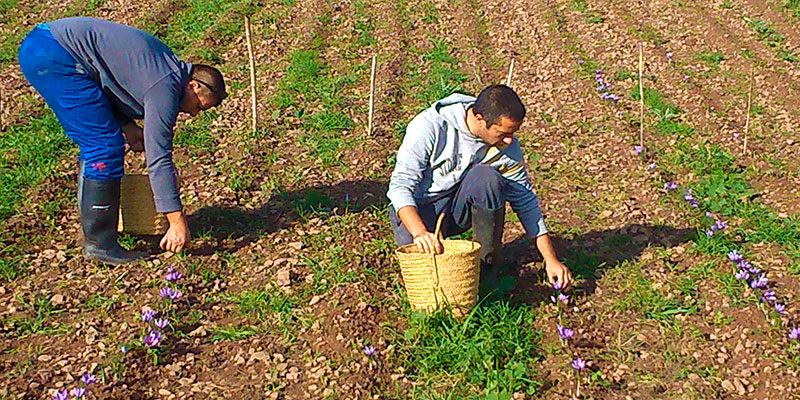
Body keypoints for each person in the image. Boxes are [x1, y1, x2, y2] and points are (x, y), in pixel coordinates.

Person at [18, 17, 227, 265]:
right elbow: (159, 157)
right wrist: (177, 222)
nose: (193, 114)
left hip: (47, 43)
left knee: (100, 143)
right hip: (56, 54)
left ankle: (95, 234)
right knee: (103, 146)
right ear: (194, 86)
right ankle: (100, 243)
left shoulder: (166, 68)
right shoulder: (166, 87)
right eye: (199, 106)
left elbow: (107, 81)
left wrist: (128, 126)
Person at [387, 84, 573, 288]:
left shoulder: (506, 145)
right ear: (480, 120)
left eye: (513, 133)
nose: (509, 140)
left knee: (487, 178)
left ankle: (486, 268)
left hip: (457, 206)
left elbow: (525, 199)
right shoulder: (430, 126)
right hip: (420, 209)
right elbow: (400, 186)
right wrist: (420, 232)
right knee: (425, 277)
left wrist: (550, 259)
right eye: (502, 133)